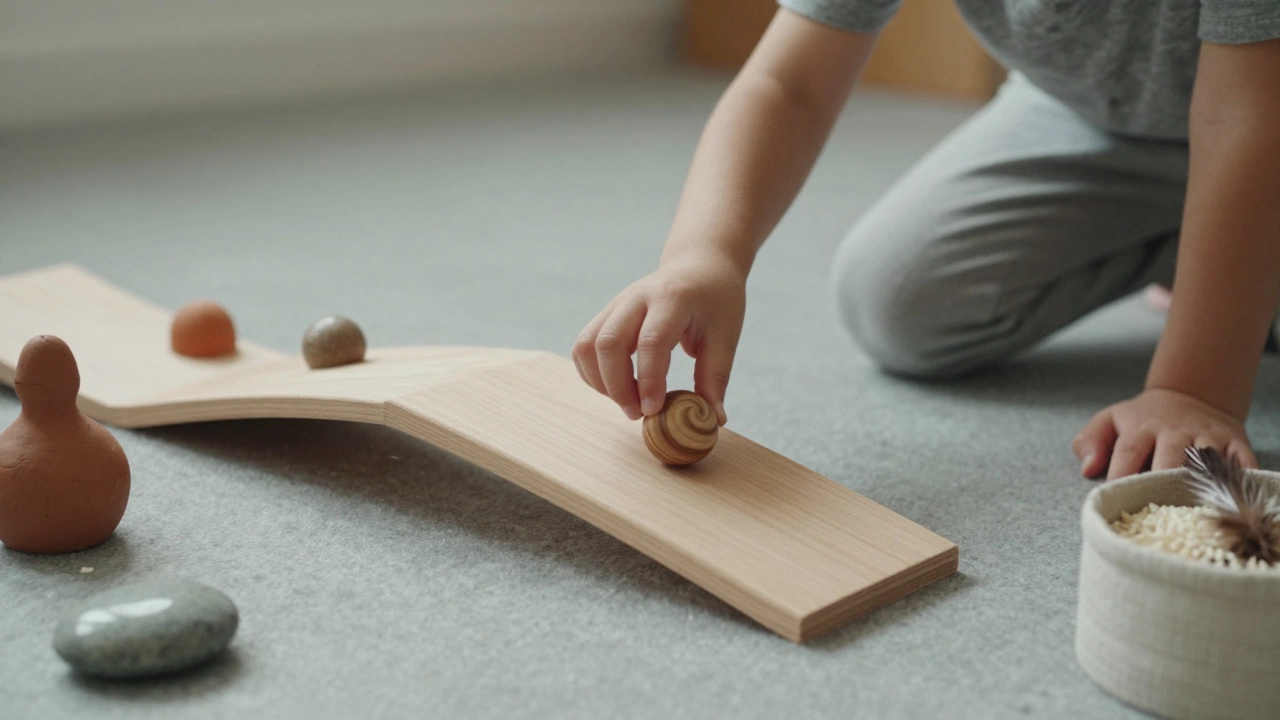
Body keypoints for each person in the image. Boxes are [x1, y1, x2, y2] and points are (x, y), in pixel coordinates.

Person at [571, 2, 1280, 481]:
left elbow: (1243, 119)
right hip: (1089, 120)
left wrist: (1194, 389)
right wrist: (705, 255)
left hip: (1260, 110)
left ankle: (1239, 264)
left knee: (1235, 289)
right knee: (898, 296)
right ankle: (1204, 252)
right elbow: (789, 83)